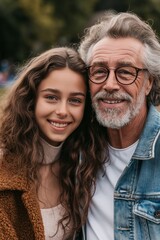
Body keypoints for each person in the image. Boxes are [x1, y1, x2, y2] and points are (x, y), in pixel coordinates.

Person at [0, 47, 106, 240]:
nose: (62, 111)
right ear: (31, 100)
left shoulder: (84, 167)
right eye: (51, 97)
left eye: (75, 100)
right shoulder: (4, 169)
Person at [78, 11, 160, 240]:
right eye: (100, 71)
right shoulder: (75, 150)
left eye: (125, 72)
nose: (110, 84)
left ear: (148, 83)